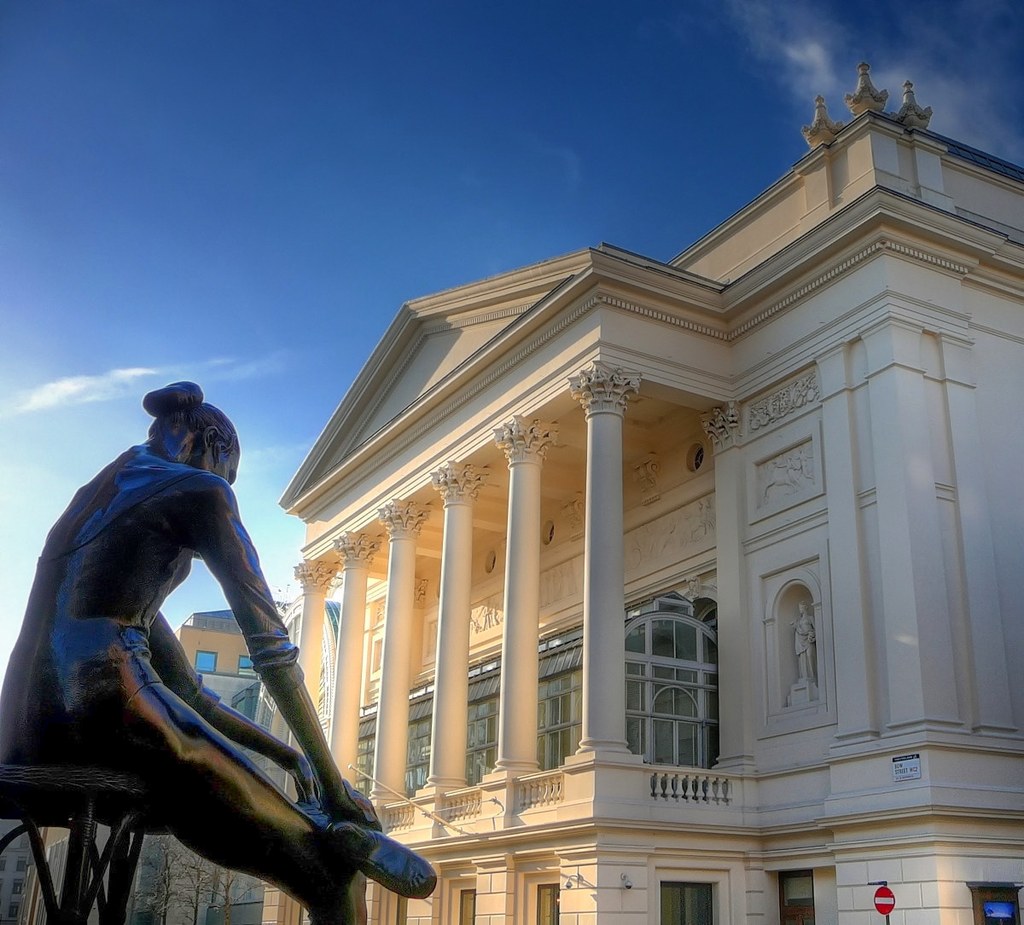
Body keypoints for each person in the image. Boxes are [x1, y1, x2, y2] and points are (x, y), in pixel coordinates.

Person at [0, 382, 434, 924]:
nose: (227, 484)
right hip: (107, 711)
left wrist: (288, 757)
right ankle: (330, 834)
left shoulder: (95, 506)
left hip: (27, 729)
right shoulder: (200, 490)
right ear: (214, 446)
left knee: (239, 806)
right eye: (230, 472)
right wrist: (333, 783)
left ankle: (318, 826)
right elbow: (272, 652)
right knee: (329, 878)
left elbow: (188, 692)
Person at [791, 600, 816, 682]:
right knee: (802, 658)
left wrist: (812, 635)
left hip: (809, 639)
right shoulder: (799, 621)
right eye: (799, 608)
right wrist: (795, 626)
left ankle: (813, 677)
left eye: (801, 608)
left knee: (810, 656)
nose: (800, 609)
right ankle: (805, 677)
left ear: (805, 608)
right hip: (801, 641)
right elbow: (798, 630)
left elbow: (816, 629)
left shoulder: (810, 618)